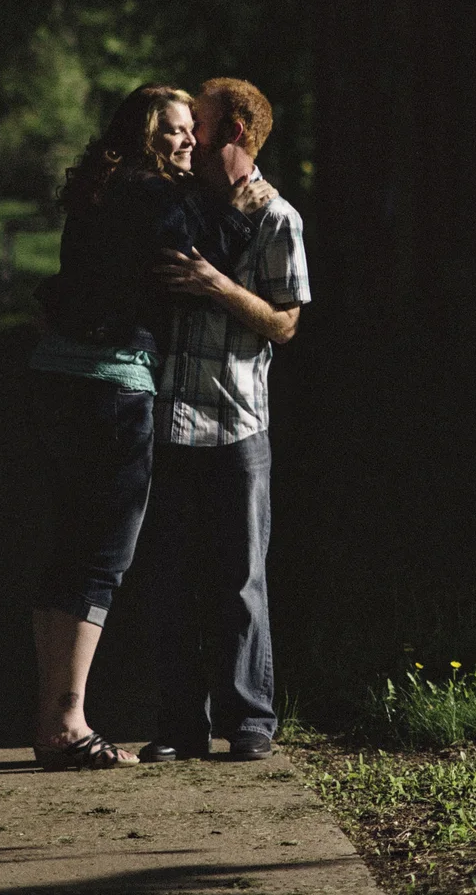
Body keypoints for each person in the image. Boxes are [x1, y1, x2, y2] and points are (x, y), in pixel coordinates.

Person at [26, 84, 268, 770]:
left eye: (193, 129)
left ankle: (50, 718)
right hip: (113, 388)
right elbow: (213, 250)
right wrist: (243, 205)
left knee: (68, 548)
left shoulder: (100, 192)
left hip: (58, 378)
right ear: (142, 136)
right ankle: (69, 724)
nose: (189, 140)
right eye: (174, 130)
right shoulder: (157, 196)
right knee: (102, 556)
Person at [134, 76, 310, 763]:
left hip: (238, 426)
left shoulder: (275, 217)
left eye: (199, 124)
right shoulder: (179, 205)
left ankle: (250, 723)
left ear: (233, 130)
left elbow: (286, 324)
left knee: (240, 580)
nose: (189, 137)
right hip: (170, 422)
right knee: (171, 578)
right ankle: (179, 726)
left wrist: (217, 285)